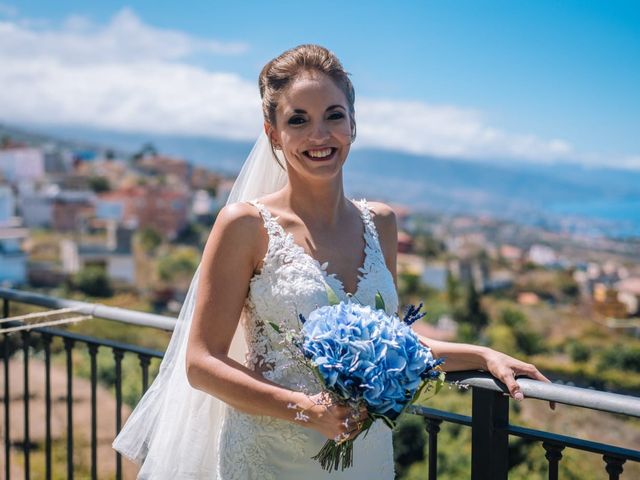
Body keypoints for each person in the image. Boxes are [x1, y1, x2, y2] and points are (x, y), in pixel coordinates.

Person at [113, 44, 552, 479]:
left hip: (366, 458)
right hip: (270, 458)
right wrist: (307, 410)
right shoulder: (245, 225)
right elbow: (201, 364)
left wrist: (483, 355)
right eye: (298, 120)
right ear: (273, 134)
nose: (319, 135)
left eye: (333, 116)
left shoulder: (381, 223)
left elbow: (392, 346)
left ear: (353, 124)